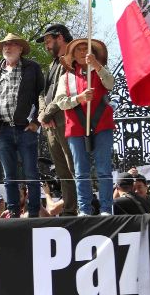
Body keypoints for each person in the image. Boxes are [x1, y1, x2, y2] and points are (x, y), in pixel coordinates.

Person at [47, 38, 114, 216]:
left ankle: (106, 208)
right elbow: (60, 102)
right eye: (79, 49)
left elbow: (110, 84)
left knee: (103, 169)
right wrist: (79, 98)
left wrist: (97, 65)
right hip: (76, 126)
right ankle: (84, 209)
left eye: (87, 48)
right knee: (81, 171)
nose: (83, 52)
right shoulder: (66, 78)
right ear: (73, 56)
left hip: (102, 124)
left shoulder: (101, 71)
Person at [0, 33, 45, 218]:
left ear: (21, 49)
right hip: (2, 130)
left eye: (11, 44)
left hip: (26, 128)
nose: (7, 48)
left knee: (31, 174)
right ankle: (14, 214)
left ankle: (34, 213)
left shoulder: (32, 68)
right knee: (9, 176)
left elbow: (42, 95)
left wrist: (36, 122)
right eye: (4, 45)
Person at [36, 24, 78, 217]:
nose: (46, 46)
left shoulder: (74, 57)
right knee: (62, 170)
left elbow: (67, 92)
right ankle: (69, 211)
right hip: (50, 124)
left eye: (48, 41)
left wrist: (48, 113)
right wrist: (42, 114)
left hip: (69, 121)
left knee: (74, 167)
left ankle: (83, 208)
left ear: (59, 37)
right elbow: (43, 93)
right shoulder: (52, 65)